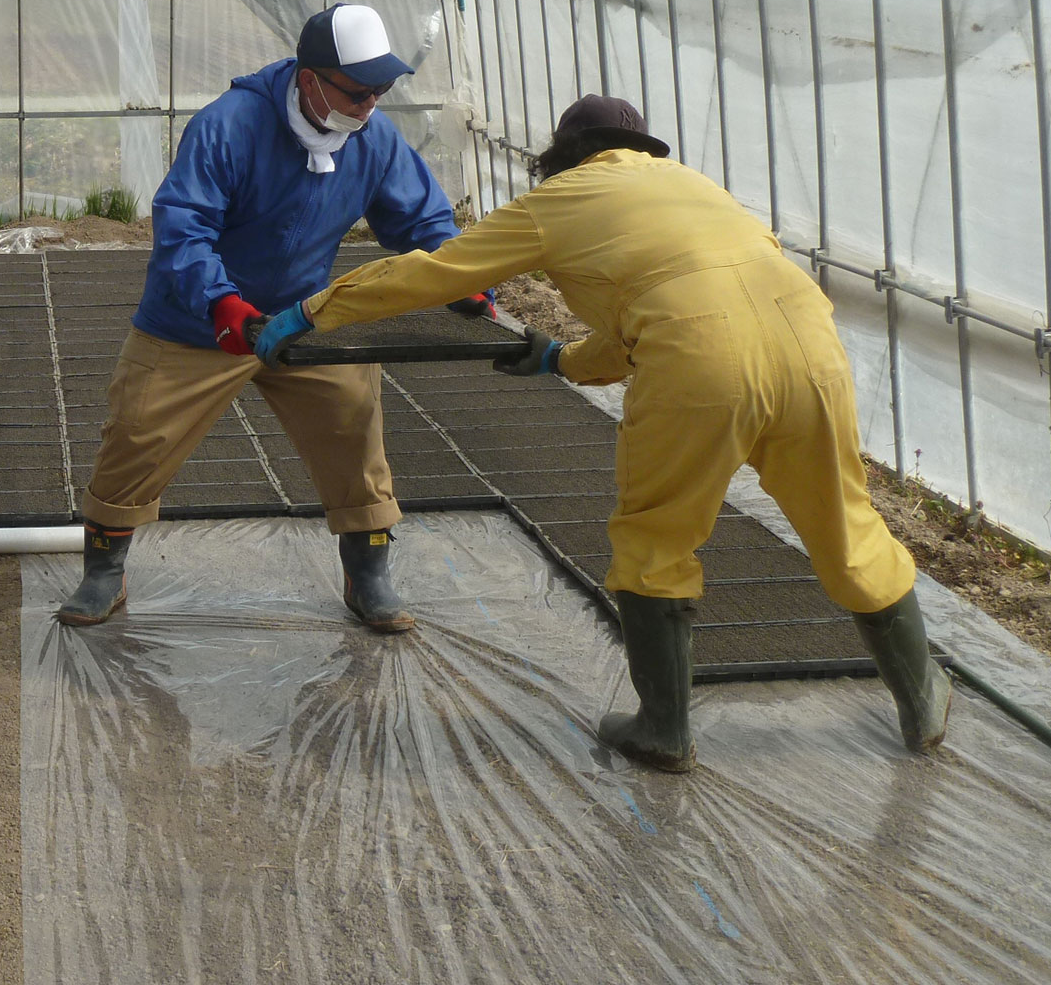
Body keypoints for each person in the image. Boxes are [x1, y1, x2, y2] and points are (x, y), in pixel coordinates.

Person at [254, 94, 950, 771]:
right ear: (640, 148)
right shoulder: (698, 188)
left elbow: (433, 275)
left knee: (657, 538)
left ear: (564, 158)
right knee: (846, 526)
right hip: (812, 352)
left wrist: (315, 312)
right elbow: (671, 308)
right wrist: (561, 359)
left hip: (699, 368)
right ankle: (921, 706)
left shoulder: (556, 202)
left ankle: (664, 730)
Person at [57, 3, 485, 634]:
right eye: (358, 90)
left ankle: (368, 577)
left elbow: (421, 220)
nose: (370, 104)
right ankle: (103, 571)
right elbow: (184, 226)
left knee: (353, 431)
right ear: (311, 78)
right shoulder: (230, 126)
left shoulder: (374, 139)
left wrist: (459, 278)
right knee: (138, 433)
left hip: (304, 316)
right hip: (198, 319)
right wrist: (222, 303)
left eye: (381, 90)